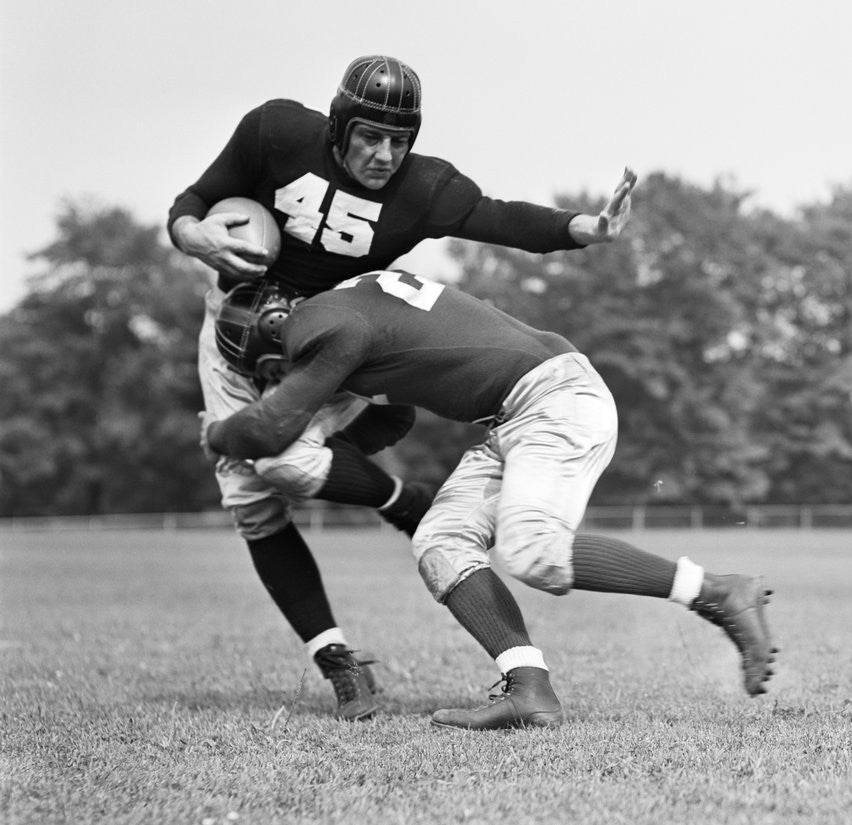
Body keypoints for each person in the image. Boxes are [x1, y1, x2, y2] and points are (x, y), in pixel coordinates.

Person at [167, 55, 637, 720]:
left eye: (400, 139)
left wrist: (584, 228)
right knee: (253, 502)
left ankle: (394, 493)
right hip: (236, 331)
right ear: (336, 125)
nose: (385, 154)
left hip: (334, 344)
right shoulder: (276, 132)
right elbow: (188, 205)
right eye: (370, 135)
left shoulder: (424, 189)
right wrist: (196, 236)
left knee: (284, 462)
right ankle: (338, 661)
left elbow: (500, 219)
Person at [201, 271, 778, 730]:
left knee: (532, 550)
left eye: (271, 373)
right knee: (440, 541)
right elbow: (395, 413)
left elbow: (269, 429)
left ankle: (718, 591)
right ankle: (529, 688)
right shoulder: (345, 307)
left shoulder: (311, 326)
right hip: (516, 414)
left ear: (272, 338)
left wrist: (218, 435)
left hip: (553, 398)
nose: (278, 382)